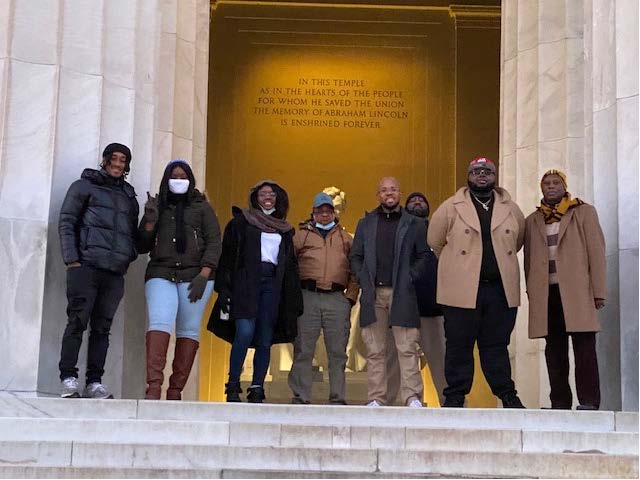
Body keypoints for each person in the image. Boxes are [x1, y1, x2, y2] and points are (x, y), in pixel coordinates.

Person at [428, 157, 525, 408]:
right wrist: (460, 267)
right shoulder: (451, 206)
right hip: (461, 289)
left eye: (487, 172)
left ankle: (507, 395)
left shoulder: (511, 208)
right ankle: (455, 396)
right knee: (459, 344)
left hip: (498, 289)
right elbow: (435, 241)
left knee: (496, 345)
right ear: (468, 175)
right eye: (476, 171)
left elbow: (518, 240)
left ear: (495, 176)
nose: (482, 175)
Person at [58, 143, 139, 399]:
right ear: (104, 160)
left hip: (114, 273)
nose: (117, 163)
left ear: (126, 166)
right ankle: (68, 378)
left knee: (103, 328)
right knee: (77, 322)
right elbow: (67, 221)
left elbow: (135, 237)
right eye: (113, 158)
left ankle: (94, 382)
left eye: (123, 160)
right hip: (85, 267)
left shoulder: (129, 195)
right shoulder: (83, 186)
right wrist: (72, 260)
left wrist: (148, 223)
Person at [209, 180, 303, 403]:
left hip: (272, 285)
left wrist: (293, 301)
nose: (267, 197)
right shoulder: (240, 223)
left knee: (265, 337)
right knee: (243, 331)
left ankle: (257, 387)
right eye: (262, 194)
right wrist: (223, 289)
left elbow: (290, 267)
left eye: (272, 194)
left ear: (279, 198)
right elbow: (228, 257)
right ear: (255, 198)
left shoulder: (286, 229)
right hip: (245, 282)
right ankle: (233, 384)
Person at [137, 159, 222, 400]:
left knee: (188, 330)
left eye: (183, 176)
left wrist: (205, 274)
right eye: (174, 176)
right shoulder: (158, 205)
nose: (179, 180)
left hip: (196, 276)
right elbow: (142, 245)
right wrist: (150, 220)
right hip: (161, 273)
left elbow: (214, 241)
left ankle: (175, 391)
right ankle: (154, 387)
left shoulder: (202, 208)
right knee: (160, 323)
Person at [524, 169, 606, 410]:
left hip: (578, 291)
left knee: (584, 348)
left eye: (555, 182)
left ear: (564, 186)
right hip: (548, 293)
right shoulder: (533, 220)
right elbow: (529, 260)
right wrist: (533, 294)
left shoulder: (583, 212)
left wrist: (598, 290)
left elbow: (597, 253)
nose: (551, 186)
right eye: (546, 183)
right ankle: (559, 402)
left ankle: (589, 401)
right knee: (554, 350)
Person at [350, 177, 428, 408]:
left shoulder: (414, 223)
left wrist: (410, 277)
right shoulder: (366, 223)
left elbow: (424, 256)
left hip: (402, 293)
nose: (389, 194)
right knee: (375, 350)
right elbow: (356, 256)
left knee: (407, 347)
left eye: (393, 189)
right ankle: (376, 397)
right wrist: (363, 277)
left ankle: (412, 396)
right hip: (373, 294)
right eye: (384, 190)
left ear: (400, 193)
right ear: (378, 195)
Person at [288, 192, 359, 405]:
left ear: (333, 212)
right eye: (320, 211)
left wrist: (350, 298)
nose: (325, 214)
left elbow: (356, 270)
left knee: (338, 352)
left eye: (328, 211)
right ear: (313, 213)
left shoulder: (346, 239)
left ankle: (337, 397)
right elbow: (289, 267)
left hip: (337, 298)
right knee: (303, 349)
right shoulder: (300, 236)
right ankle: (301, 396)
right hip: (307, 296)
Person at [386, 192, 446, 406]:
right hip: (402, 307)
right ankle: (386, 403)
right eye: (412, 201)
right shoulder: (396, 233)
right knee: (394, 360)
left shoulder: (439, 233)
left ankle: (450, 404)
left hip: (433, 308)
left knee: (440, 362)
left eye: (422, 200)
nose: (418, 202)